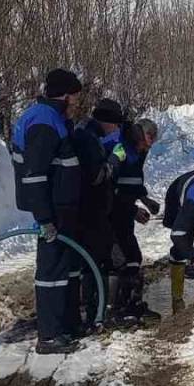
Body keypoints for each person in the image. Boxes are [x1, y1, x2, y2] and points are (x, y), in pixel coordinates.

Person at [11, 68, 84, 355]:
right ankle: (50, 335)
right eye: (75, 97)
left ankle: (64, 325)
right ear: (64, 95)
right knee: (51, 270)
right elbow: (35, 174)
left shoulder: (52, 117)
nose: (77, 102)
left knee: (64, 267)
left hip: (61, 206)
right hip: (52, 208)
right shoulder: (43, 121)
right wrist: (45, 219)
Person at [70, 98, 124, 332]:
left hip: (86, 209)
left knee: (90, 262)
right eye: (115, 124)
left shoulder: (87, 133)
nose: (117, 129)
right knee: (97, 262)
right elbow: (96, 176)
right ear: (107, 121)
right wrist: (114, 161)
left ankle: (92, 310)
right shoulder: (89, 140)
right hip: (91, 212)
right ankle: (96, 315)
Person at [109, 118, 160, 322]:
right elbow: (111, 189)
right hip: (110, 216)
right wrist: (133, 210)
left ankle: (131, 305)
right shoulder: (121, 151)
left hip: (124, 216)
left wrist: (145, 198)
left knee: (133, 258)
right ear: (140, 135)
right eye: (150, 136)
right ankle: (113, 311)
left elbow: (133, 181)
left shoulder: (140, 153)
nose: (152, 142)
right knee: (120, 261)